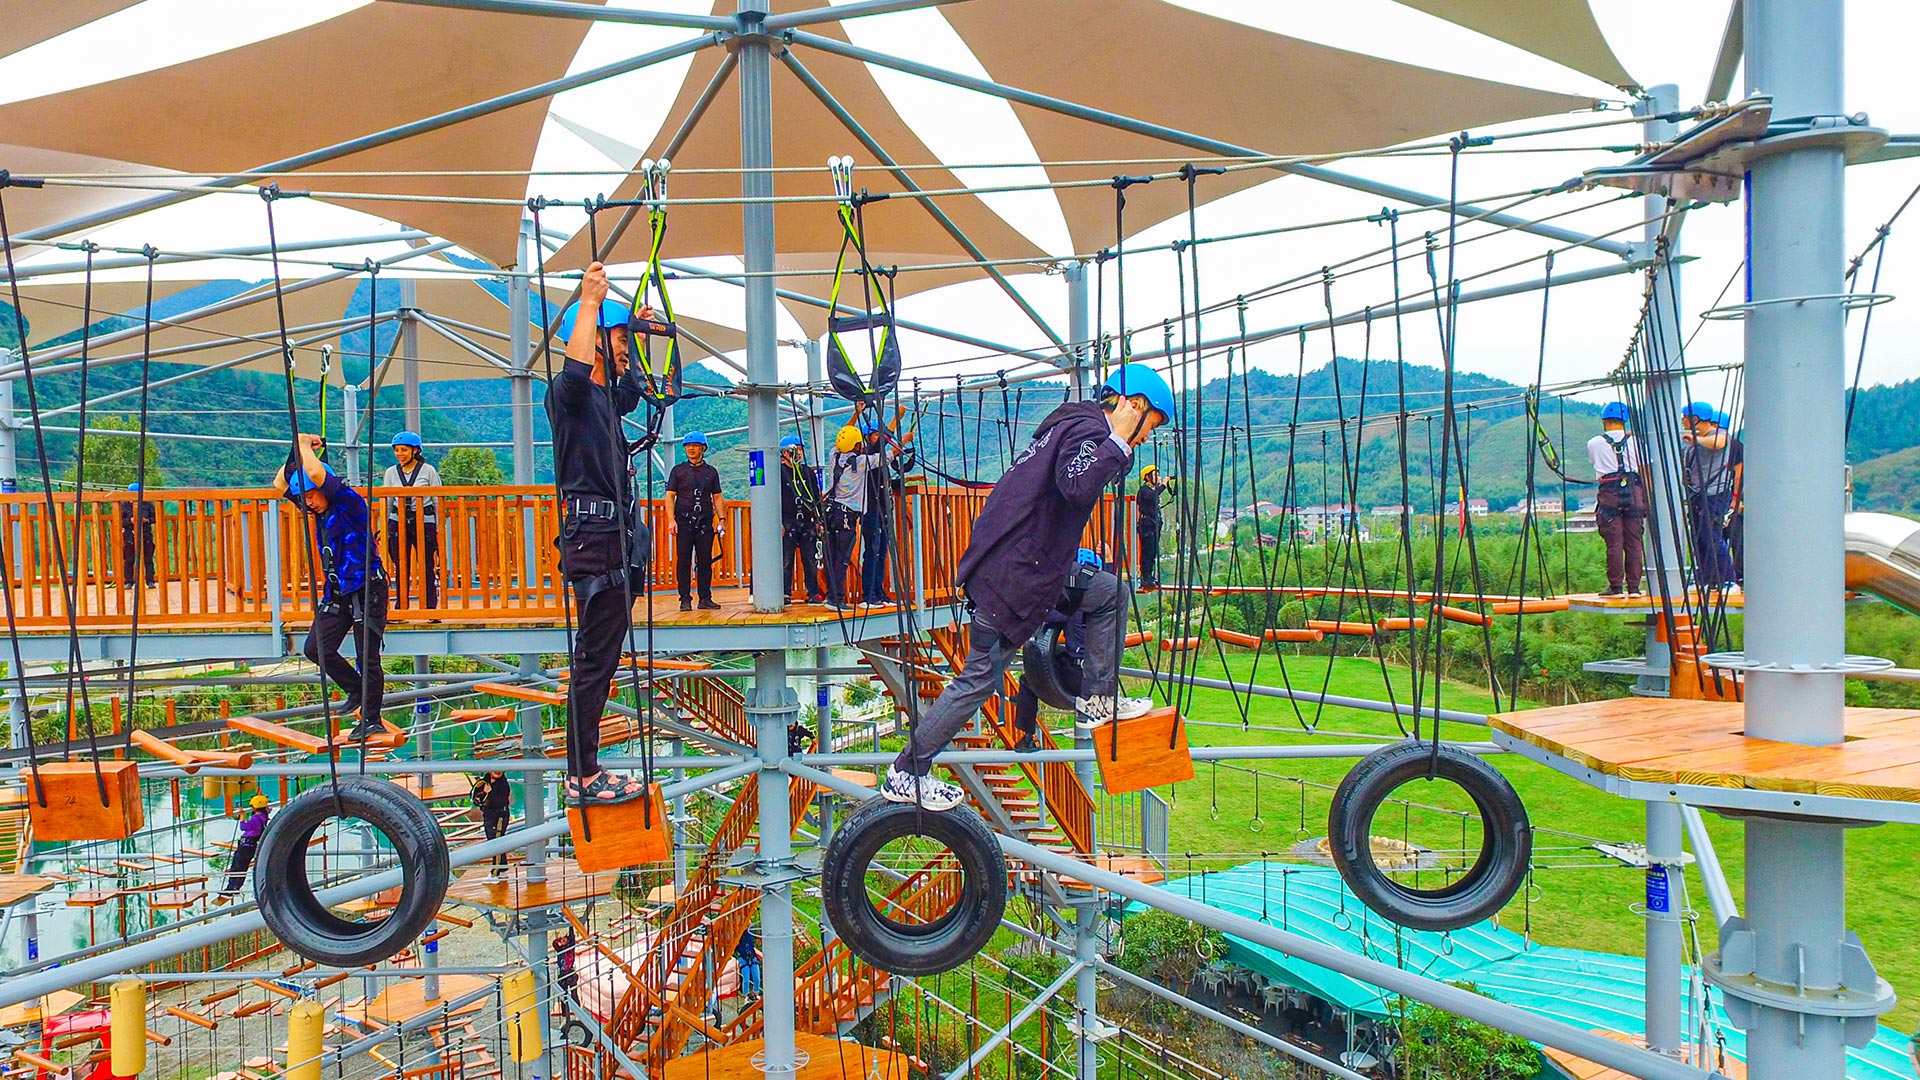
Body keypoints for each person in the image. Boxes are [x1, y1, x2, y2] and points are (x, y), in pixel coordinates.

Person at [883, 365, 1173, 810]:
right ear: (1134, 406)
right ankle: (907, 771)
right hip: (1015, 578)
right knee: (977, 681)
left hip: (1033, 569)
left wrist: (1118, 448)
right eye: (1150, 423)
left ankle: (1098, 699)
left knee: (1108, 593)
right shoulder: (1089, 431)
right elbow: (1076, 484)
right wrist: (1118, 442)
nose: (1148, 436)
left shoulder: (1073, 428)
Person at [546, 261, 651, 806]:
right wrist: (589, 303)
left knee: (603, 658)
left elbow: (633, 391)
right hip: (595, 536)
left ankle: (584, 769)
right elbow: (573, 371)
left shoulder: (606, 402)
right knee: (593, 661)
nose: (624, 352)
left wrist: (637, 336)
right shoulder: (571, 398)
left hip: (612, 535)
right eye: (619, 342)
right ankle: (582, 773)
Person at [275, 432, 386, 742]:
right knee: (316, 649)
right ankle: (355, 689)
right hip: (338, 592)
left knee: (367, 657)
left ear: (324, 489)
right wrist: (296, 448)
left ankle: (372, 718)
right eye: (305, 499)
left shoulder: (349, 503)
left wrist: (304, 446)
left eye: (312, 496)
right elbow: (280, 484)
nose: (308, 503)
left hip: (367, 589)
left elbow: (314, 474)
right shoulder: (317, 509)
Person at [1011, 548, 1103, 753]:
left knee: (1029, 679)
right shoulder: (1106, 601)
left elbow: (1042, 615)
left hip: (1075, 677)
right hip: (1099, 677)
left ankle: (1027, 738)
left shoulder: (1074, 604)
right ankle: (1025, 699)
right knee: (1058, 652)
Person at [824, 420, 896, 610]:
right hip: (847, 515)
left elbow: (842, 436)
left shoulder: (834, 456)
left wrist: (856, 413)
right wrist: (903, 441)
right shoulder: (860, 462)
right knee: (842, 558)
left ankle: (832, 596)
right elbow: (886, 456)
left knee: (833, 556)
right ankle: (836, 598)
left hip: (833, 511)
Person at [1680, 401, 1742, 594]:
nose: (1682, 421)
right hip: (1697, 495)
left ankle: (1728, 579)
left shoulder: (1719, 435)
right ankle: (1707, 578)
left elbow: (1718, 443)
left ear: (1695, 419)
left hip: (1715, 494)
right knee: (1699, 538)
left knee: (1712, 536)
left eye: (1685, 417)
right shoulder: (1693, 443)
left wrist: (1696, 439)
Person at [1586, 403, 1646, 598]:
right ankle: (1634, 588)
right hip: (1634, 491)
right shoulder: (1637, 442)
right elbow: (1644, 467)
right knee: (1634, 542)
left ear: (1605, 421)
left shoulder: (1594, 443)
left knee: (1614, 543)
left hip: (1609, 493)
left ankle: (1616, 587)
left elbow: (1595, 462)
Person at [382, 431, 442, 609]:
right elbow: (388, 500)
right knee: (400, 564)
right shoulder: (391, 472)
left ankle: (430, 607)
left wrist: (438, 526)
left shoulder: (428, 471)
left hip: (424, 521)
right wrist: (385, 527)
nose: (400, 454)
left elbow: (437, 499)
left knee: (427, 564)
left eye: (404, 450)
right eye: (397, 450)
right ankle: (401, 606)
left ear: (415, 450)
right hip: (397, 520)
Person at [666, 432, 723, 612]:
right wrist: (671, 520)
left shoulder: (711, 472)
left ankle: (705, 598)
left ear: (703, 448)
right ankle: (684, 598)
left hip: (705, 521)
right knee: (683, 560)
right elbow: (670, 496)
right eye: (688, 446)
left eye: (695, 446)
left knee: (705, 560)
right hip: (683, 521)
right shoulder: (678, 471)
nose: (691, 449)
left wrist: (722, 519)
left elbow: (717, 496)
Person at [779, 434, 826, 604]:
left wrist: (819, 520)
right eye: (795, 450)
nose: (799, 453)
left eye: (800, 450)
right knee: (786, 559)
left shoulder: (807, 472)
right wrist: (778, 522)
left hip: (807, 520)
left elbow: (816, 497)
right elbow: (773, 499)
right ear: (785, 453)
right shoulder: (779, 472)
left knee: (810, 559)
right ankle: (785, 593)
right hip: (787, 520)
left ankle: (813, 593)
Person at [214, 795, 271, 904]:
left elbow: (243, 827)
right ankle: (236, 887)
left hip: (246, 845)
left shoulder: (255, 818)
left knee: (238, 866)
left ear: (254, 807)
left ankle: (230, 889)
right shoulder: (263, 816)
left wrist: (242, 816)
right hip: (251, 845)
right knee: (242, 867)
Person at [473, 769, 512, 879]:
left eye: (500, 770)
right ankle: (502, 869)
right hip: (488, 815)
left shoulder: (503, 785)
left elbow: (499, 801)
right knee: (492, 841)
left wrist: (489, 792)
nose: (498, 772)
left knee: (497, 841)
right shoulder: (483, 782)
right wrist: (484, 793)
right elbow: (475, 798)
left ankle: (496, 871)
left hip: (500, 816)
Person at [1135, 466, 1168, 589]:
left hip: (1154, 524)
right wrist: (1163, 485)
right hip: (1147, 525)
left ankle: (1150, 576)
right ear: (1148, 477)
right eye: (1155, 475)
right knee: (1148, 551)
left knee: (1153, 551)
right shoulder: (1144, 490)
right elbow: (1152, 496)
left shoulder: (1152, 490)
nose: (1158, 477)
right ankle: (1145, 577)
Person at [119, 483, 157, 588]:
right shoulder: (124, 505)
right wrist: (130, 521)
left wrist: (146, 520)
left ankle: (150, 581)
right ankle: (129, 581)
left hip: (145, 533)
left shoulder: (148, 504)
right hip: (129, 535)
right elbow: (120, 520)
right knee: (129, 558)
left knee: (148, 558)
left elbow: (155, 518)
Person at [734, 927, 761, 1000]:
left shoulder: (748, 934)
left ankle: (756, 992)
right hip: (743, 958)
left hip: (752, 957)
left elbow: (751, 931)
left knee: (757, 978)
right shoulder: (737, 938)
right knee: (746, 979)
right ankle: (746, 994)